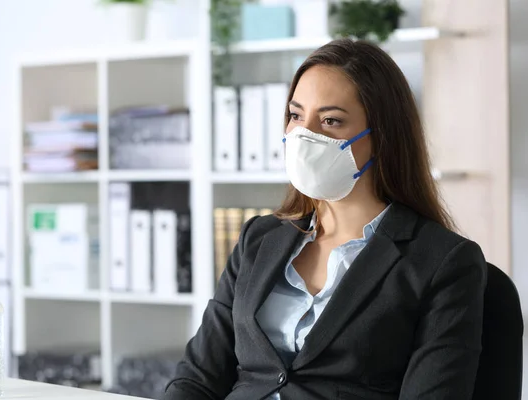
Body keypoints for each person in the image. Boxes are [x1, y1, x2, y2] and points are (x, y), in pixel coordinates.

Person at [163, 39, 487, 400]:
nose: (305, 136)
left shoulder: (442, 262)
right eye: (297, 115)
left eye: (331, 120)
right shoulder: (259, 238)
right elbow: (197, 378)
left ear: (382, 137)